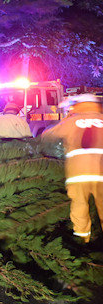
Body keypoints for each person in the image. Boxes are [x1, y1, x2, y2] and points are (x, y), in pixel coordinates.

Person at [42, 94, 103, 243]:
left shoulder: (71, 121)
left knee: (79, 205)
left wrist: (68, 117)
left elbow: (46, 135)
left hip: (78, 174)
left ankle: (83, 240)